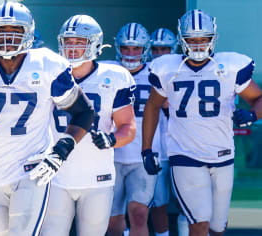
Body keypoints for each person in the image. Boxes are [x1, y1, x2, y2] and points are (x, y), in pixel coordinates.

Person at [0, 2, 94, 236]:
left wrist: (60, 151)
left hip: (31, 168)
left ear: (29, 32)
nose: (7, 37)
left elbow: (84, 112)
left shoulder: (47, 65)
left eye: (15, 30)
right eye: (1, 30)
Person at [142, 9, 262, 236]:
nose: (198, 45)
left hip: (222, 155)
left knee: (217, 228)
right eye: (192, 40)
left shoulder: (229, 66)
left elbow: (258, 98)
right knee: (199, 224)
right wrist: (146, 148)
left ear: (212, 38)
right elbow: (153, 105)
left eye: (203, 39)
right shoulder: (168, 68)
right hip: (185, 155)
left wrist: (253, 115)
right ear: (182, 40)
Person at [40, 15, 136, 236]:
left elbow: (128, 127)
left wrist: (112, 140)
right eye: (68, 41)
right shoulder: (49, 73)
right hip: (55, 175)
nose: (72, 48)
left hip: (96, 177)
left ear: (94, 43)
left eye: (79, 42)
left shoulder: (115, 76)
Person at [104, 22, 162, 236]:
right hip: (111, 153)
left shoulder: (157, 73)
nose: (130, 52)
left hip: (142, 155)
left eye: (136, 48)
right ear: (117, 47)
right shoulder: (106, 70)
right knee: (113, 220)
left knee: (138, 213)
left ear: (145, 49)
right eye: (126, 47)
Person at [148, 27, 178, 236]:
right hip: (156, 150)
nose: (159, 54)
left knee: (190, 204)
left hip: (181, 149)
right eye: (156, 49)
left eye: (164, 49)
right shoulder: (143, 74)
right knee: (158, 203)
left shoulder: (185, 70)